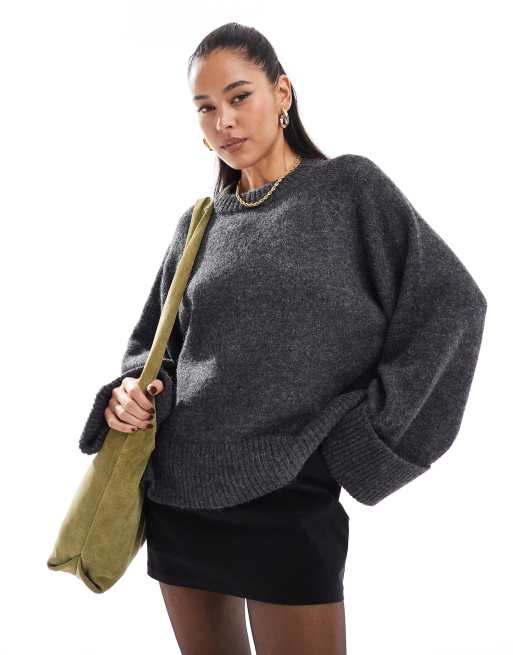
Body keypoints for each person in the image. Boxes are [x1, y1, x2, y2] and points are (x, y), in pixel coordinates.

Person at [78, 22, 487, 655]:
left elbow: (452, 306)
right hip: (180, 497)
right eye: (205, 108)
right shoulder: (200, 224)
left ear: (282, 93)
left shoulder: (349, 189)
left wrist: (363, 443)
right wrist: (130, 395)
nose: (224, 121)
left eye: (239, 96)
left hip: (291, 495)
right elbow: (154, 352)